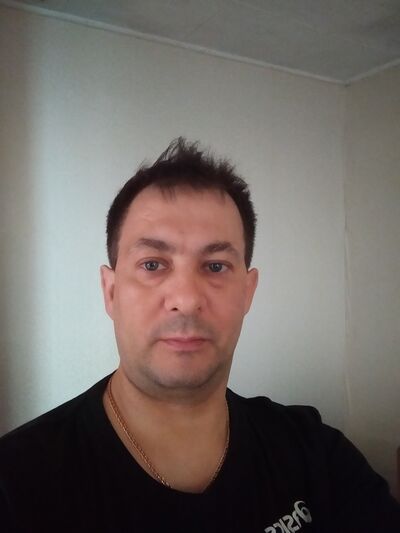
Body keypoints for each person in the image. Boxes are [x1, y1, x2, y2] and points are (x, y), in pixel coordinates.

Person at [0, 138, 399, 533]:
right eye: (153, 264)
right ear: (111, 292)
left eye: (215, 266)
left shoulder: (315, 454)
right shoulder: (17, 483)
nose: (187, 299)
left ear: (248, 292)